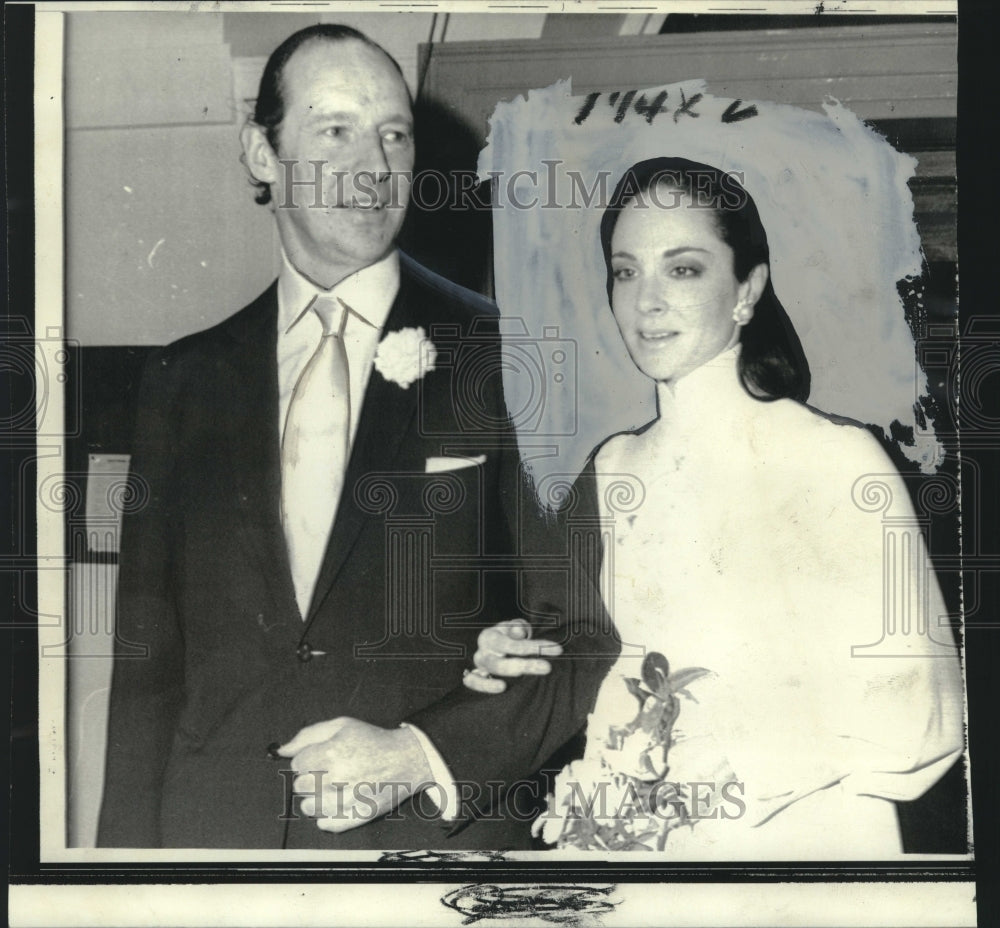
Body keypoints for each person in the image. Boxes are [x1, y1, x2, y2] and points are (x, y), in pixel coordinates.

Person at [97, 24, 617, 850]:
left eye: (394, 135)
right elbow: (145, 677)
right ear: (262, 154)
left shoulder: (515, 358)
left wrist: (422, 754)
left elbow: (585, 634)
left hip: (429, 851)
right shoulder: (182, 382)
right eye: (335, 130)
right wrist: (121, 882)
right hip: (219, 849)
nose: (373, 167)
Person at [464, 157, 965, 858]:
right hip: (627, 849)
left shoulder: (834, 459)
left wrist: (726, 762)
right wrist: (511, 650)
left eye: (684, 268)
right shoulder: (611, 470)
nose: (647, 301)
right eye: (626, 271)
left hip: (797, 849)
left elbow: (921, 714)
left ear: (747, 288)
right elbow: (582, 653)